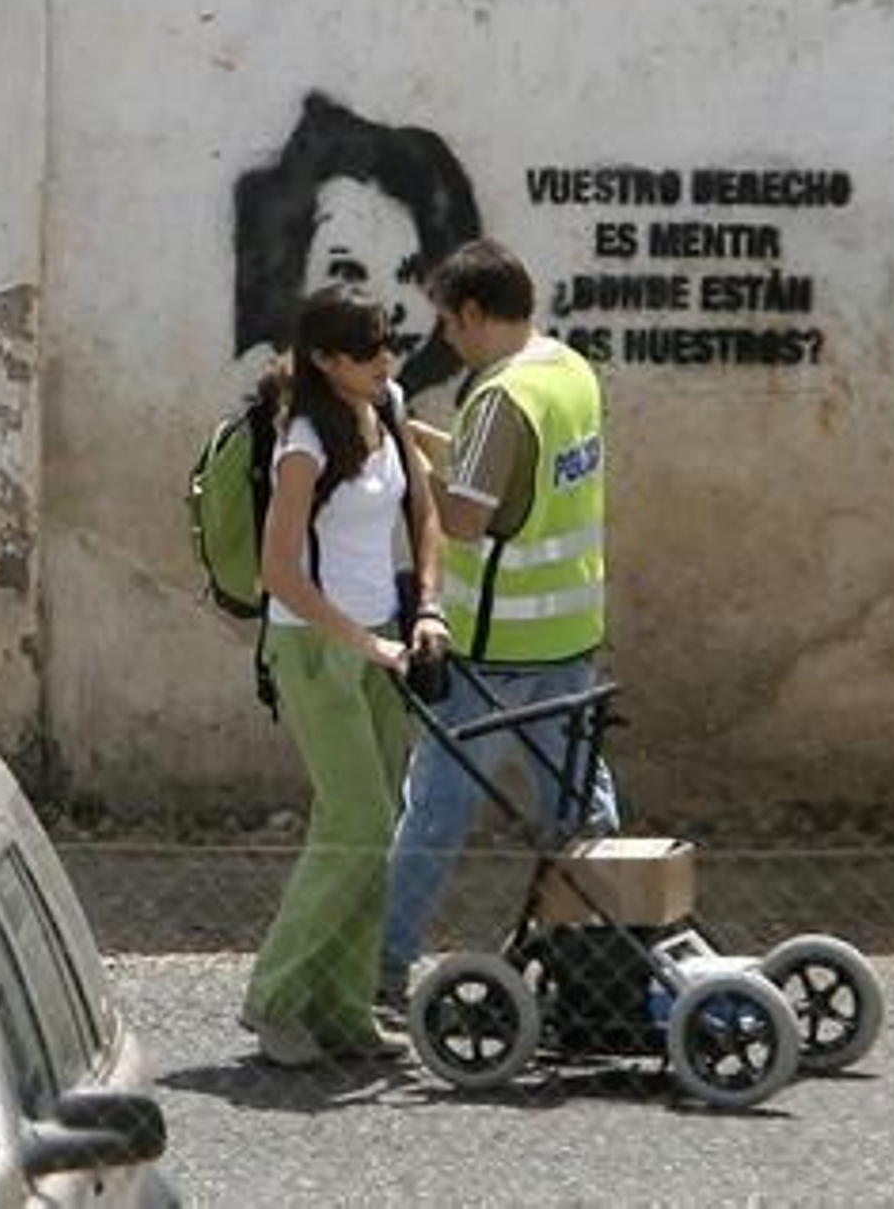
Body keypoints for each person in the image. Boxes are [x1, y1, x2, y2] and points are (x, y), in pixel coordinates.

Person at [379, 240, 619, 1009]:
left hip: (494, 645)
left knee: (438, 810)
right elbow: (517, 477)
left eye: (449, 321)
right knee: (579, 804)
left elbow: (466, 517)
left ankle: (382, 966)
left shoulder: (497, 398)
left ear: (474, 312)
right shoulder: (567, 372)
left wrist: (400, 461)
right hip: (570, 632)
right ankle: (608, 944)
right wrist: (421, 436)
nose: (446, 337)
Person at [240, 286, 448, 1067]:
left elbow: (423, 514)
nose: (383, 361)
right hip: (315, 646)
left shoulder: (388, 404)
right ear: (326, 360)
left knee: (370, 827)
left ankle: (343, 1006)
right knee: (355, 822)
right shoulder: (302, 443)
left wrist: (426, 609)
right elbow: (278, 571)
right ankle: (276, 999)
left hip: (386, 640)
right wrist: (366, 643)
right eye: (366, 351)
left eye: (387, 345)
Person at [233, 91, 484, 398]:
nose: (388, 306)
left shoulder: (394, 415)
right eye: (348, 274)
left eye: (412, 275)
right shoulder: (273, 427)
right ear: (286, 277)